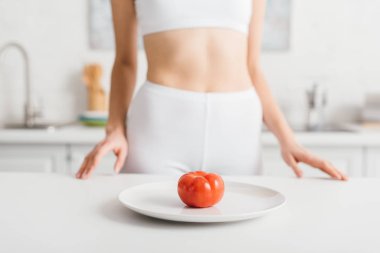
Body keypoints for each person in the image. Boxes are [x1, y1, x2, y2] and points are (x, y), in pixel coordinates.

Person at [76, 0, 347, 180]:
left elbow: (252, 66)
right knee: (149, 238)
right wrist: (115, 129)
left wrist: (289, 139)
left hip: (236, 130)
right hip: (160, 126)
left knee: (239, 238)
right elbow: (124, 62)